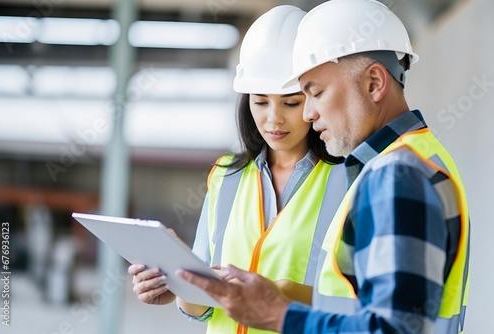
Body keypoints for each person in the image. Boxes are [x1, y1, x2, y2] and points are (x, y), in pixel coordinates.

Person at [178, 0, 471, 333]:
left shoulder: (396, 175)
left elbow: (393, 328)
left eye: (314, 94)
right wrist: (284, 295)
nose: (307, 114)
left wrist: (279, 313)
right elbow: (369, 307)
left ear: (374, 83)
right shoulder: (408, 162)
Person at [128, 5, 347, 334]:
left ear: (313, 96)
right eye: (260, 102)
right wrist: (175, 281)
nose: (273, 119)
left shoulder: (350, 178)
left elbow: (360, 306)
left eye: (290, 102)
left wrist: (281, 295)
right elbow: (201, 306)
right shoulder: (226, 175)